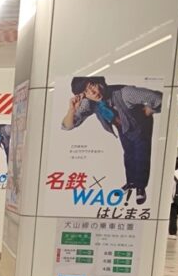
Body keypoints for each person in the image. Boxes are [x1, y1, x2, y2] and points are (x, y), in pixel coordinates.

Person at [63, 76, 162, 206]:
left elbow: (158, 98)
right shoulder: (89, 102)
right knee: (128, 154)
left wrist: (151, 109)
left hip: (140, 125)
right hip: (123, 127)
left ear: (100, 83)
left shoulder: (126, 93)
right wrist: (71, 109)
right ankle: (131, 182)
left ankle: (141, 187)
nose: (92, 92)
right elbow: (68, 125)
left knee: (141, 155)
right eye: (86, 91)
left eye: (92, 85)